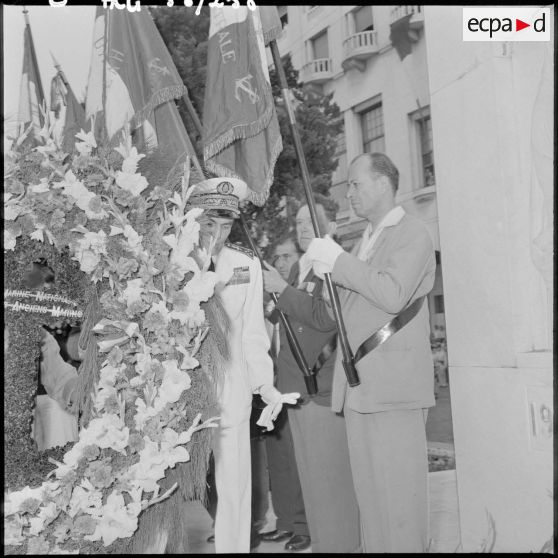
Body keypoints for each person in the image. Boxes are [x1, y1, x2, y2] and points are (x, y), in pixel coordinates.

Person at [306, 152, 436, 553]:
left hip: (393, 388)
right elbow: (343, 314)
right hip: (361, 386)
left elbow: (393, 293)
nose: (350, 194)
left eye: (356, 184)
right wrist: (327, 275)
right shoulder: (366, 239)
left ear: (383, 183)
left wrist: (341, 263)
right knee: (373, 503)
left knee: (400, 501)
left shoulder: (412, 232)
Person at [186, 177, 300, 554]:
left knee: (235, 486)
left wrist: (264, 386)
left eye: (226, 226)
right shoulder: (170, 261)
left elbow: (252, 333)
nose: (217, 235)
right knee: (169, 485)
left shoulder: (246, 264)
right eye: (209, 225)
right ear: (192, 219)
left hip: (231, 393)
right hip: (178, 393)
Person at [262, 195, 361, 553]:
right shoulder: (301, 267)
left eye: (311, 221)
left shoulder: (333, 265)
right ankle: (321, 540)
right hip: (294, 386)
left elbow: (325, 318)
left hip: (320, 386)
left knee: (329, 481)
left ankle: (342, 544)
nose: (303, 228)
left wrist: (284, 292)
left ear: (331, 227)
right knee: (311, 480)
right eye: (299, 222)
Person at [259, 235, 311, 552]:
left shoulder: (303, 292)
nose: (280, 263)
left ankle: (304, 526)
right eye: (276, 257)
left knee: (298, 459)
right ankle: (285, 522)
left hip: (299, 388)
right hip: (275, 387)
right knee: (278, 459)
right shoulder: (276, 296)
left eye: (286, 255)